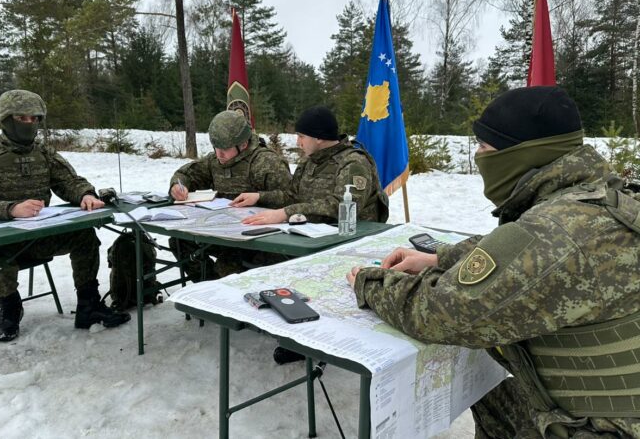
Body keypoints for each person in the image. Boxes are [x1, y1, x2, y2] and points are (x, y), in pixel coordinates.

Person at [346, 86, 640, 438]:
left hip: (603, 428)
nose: (478, 156)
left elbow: (439, 313)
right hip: (619, 406)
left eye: (485, 148)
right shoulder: (604, 197)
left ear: (522, 154)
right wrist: (440, 256)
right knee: (489, 391)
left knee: (483, 381)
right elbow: (519, 248)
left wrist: (369, 282)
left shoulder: (556, 231)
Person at [0, 89, 130, 342]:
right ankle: (10, 309)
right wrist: (10, 208)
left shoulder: (42, 152)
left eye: (34, 118)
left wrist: (85, 195)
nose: (29, 123)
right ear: (5, 119)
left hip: (36, 235)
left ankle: (88, 305)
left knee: (85, 236)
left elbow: (69, 180)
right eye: (21, 118)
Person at [168, 110, 292, 279]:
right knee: (179, 241)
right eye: (216, 148)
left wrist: (259, 197)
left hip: (257, 238)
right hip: (222, 230)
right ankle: (208, 284)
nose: (219, 154)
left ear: (243, 144)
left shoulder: (266, 162)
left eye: (225, 149)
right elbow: (187, 174)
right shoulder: (215, 160)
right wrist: (177, 185)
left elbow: (290, 197)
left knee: (226, 265)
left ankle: (220, 286)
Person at [236, 105, 389, 226]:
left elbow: (343, 206)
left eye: (301, 136)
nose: (298, 143)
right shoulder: (310, 161)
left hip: (351, 240)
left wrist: (286, 213)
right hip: (314, 235)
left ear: (319, 138)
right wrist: (259, 197)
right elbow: (293, 196)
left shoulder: (354, 163)